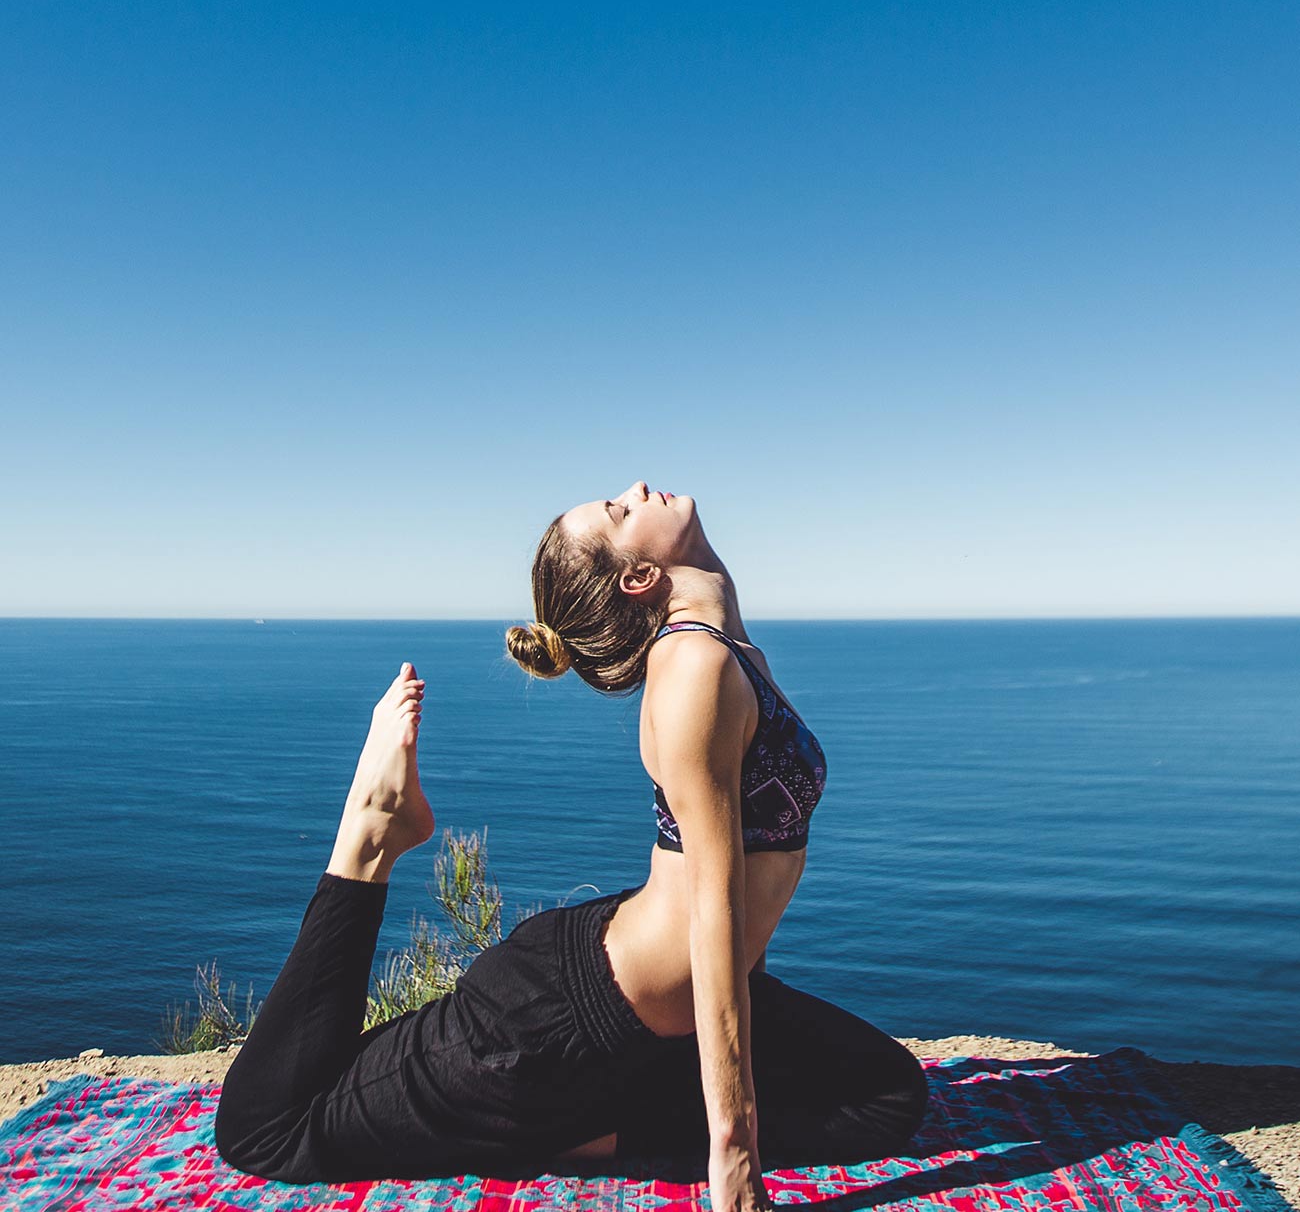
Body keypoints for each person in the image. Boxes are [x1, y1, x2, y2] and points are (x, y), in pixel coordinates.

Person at [214, 483, 928, 1207]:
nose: (636, 491)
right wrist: (733, 1156)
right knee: (270, 1130)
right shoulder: (693, 670)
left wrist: (737, 1020)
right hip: (552, 1021)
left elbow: (740, 888)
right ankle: (369, 834)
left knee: (889, 1098)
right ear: (640, 578)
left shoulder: (731, 654)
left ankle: (557, 1131)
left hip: (649, 1005)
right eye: (620, 511)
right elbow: (716, 911)